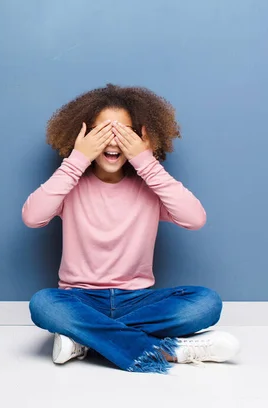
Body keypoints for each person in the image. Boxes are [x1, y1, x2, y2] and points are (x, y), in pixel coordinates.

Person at [22, 84, 240, 373]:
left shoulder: (150, 187)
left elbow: (195, 218)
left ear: (142, 138)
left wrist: (146, 162)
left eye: (124, 133)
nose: (113, 142)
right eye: (102, 132)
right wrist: (77, 159)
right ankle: (171, 351)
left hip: (138, 301)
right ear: (83, 136)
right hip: (79, 299)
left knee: (206, 303)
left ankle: (86, 340)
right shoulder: (70, 184)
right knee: (44, 304)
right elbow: (32, 217)